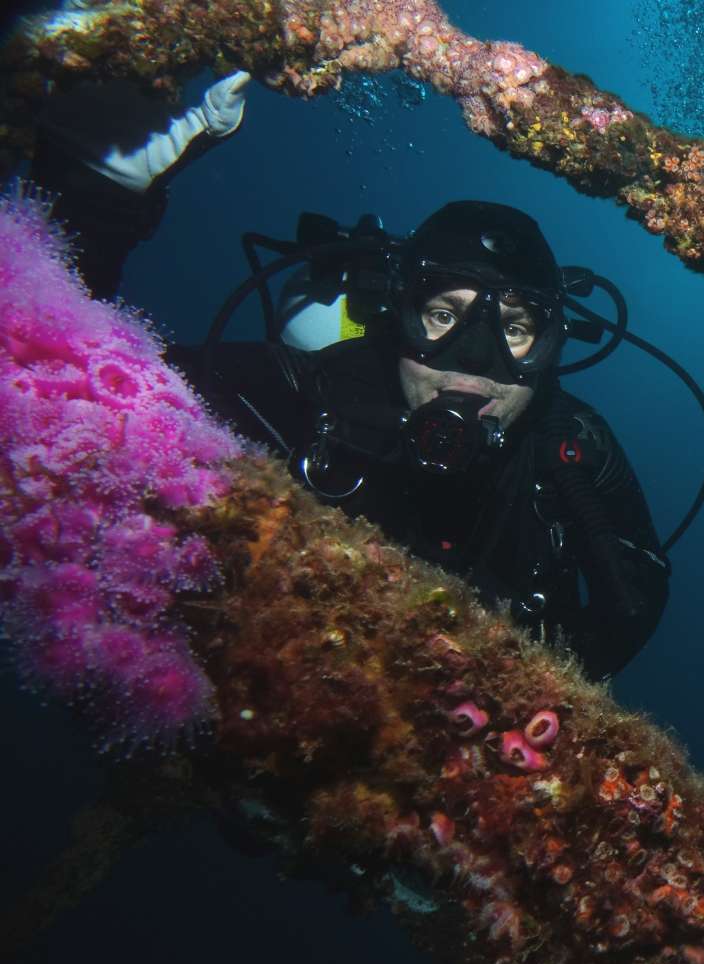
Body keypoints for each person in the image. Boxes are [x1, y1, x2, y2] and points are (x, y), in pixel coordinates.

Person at [31, 74, 671, 680]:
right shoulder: (316, 391)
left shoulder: (572, 449)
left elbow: (634, 603)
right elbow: (87, 397)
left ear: (552, 347)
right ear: (399, 318)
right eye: (444, 314)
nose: (474, 360)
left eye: (515, 327)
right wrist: (98, 204)